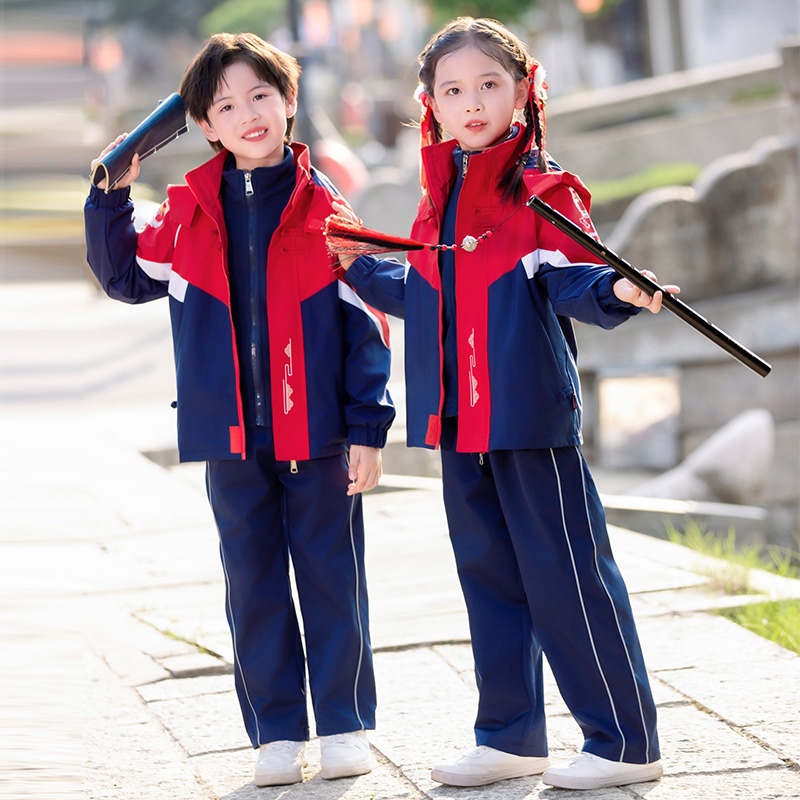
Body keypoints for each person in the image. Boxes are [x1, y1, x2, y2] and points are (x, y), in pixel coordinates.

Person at [335, 16, 677, 792]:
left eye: (491, 83)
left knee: (569, 577)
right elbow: (427, 296)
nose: (474, 101)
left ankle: (625, 740)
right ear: (431, 104)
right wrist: (357, 267)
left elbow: (571, 279)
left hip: (528, 416)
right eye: (453, 90)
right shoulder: (439, 196)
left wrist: (619, 289)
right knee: (487, 575)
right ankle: (510, 736)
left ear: (523, 90)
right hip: (459, 421)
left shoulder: (544, 191)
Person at [84, 32, 395, 788]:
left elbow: (366, 328)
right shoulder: (185, 215)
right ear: (207, 125)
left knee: (331, 578)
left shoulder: (325, 209)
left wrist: (367, 428)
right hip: (228, 436)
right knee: (251, 584)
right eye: (225, 105)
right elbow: (124, 276)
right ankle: (277, 732)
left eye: (261, 95)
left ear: (289, 103)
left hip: (317, 433)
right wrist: (109, 193)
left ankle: (346, 723)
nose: (248, 113)